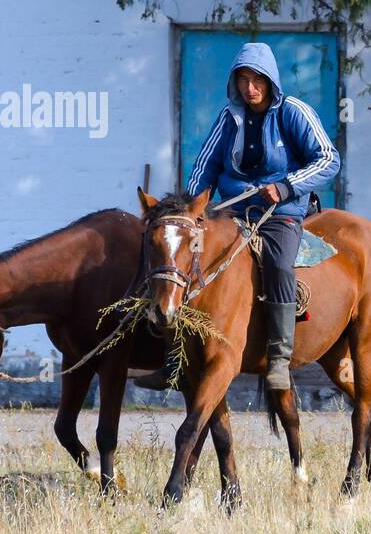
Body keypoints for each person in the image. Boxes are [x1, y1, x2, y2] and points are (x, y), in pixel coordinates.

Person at [136, 42, 340, 390]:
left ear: (271, 81)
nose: (250, 88)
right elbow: (205, 165)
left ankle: (278, 357)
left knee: (277, 265)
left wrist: (286, 187)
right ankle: (175, 357)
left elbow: (328, 159)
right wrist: (192, 209)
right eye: (243, 80)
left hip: (281, 214)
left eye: (257, 80)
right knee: (184, 258)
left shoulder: (294, 112)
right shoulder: (229, 117)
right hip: (231, 213)